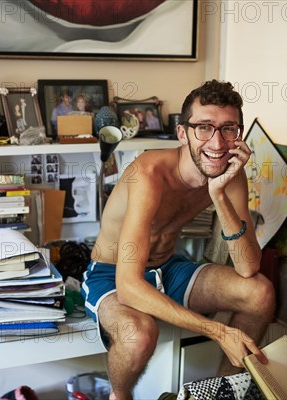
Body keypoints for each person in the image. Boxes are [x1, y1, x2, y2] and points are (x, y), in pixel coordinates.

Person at [81, 80, 275, 400]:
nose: (217, 142)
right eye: (204, 128)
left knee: (260, 293)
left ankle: (224, 394)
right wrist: (218, 331)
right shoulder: (148, 173)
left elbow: (248, 266)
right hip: (112, 274)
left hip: (169, 268)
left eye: (228, 129)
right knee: (138, 335)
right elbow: (129, 286)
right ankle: (119, 395)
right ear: (182, 133)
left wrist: (219, 194)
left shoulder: (231, 173)